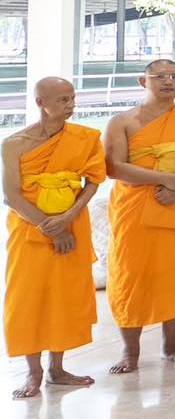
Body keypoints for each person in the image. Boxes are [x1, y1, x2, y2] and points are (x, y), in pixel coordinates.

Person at [103, 58, 175, 374]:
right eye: (159, 76)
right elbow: (115, 167)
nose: (168, 81)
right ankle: (130, 352)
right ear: (144, 82)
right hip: (137, 207)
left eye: (173, 76)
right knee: (132, 275)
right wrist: (166, 179)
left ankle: (172, 345)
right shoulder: (122, 121)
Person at [4, 78, 105, 399]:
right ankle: (33, 373)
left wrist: (67, 219)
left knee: (65, 296)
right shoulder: (14, 143)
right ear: (40, 102)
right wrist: (49, 226)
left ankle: (57, 369)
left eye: (72, 98)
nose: (70, 105)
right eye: (62, 99)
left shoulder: (85, 138)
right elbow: (11, 194)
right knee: (28, 298)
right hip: (30, 231)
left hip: (71, 224)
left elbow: (93, 181)